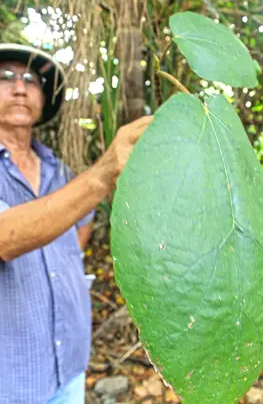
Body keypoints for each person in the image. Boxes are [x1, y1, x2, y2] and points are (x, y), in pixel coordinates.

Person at [0, 43, 153, 404]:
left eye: (31, 80)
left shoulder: (58, 168)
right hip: (12, 375)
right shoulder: (83, 177)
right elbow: (5, 237)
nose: (20, 87)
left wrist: (60, 261)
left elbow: (81, 221)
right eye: (5, 77)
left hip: (69, 361)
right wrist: (103, 174)